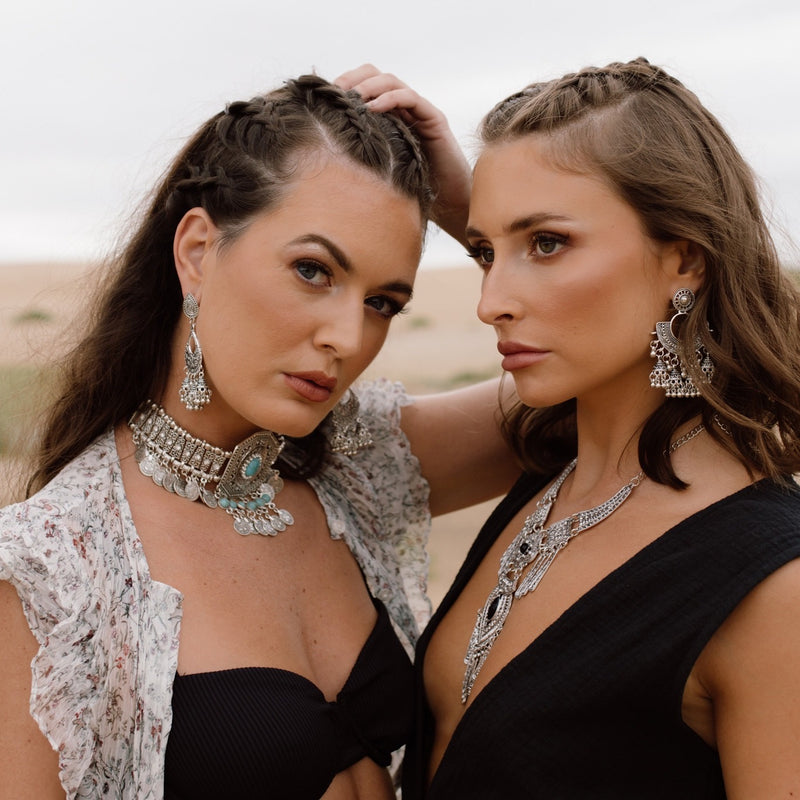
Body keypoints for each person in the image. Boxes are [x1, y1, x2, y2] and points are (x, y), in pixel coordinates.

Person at [0, 74, 520, 799]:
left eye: (382, 303)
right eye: (313, 270)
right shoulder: (51, 571)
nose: (347, 337)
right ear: (197, 252)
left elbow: (647, 368)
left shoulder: (360, 466)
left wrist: (474, 214)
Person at [341, 59, 800, 797]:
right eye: (486, 251)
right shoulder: (549, 472)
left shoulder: (775, 591)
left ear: (685, 257)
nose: (491, 301)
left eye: (547, 244)